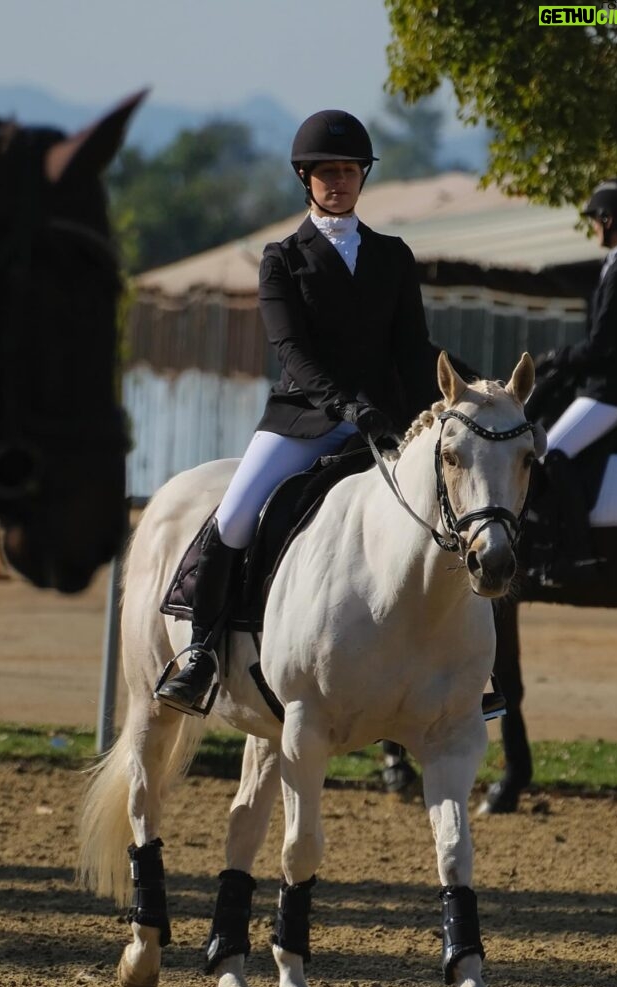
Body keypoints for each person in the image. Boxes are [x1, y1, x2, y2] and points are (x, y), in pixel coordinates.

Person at [156, 109, 475, 716]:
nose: (339, 181)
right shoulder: (282, 259)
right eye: (327, 172)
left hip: (387, 425)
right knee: (234, 516)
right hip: (303, 420)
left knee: (453, 519)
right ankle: (200, 652)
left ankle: (460, 672)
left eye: (349, 171)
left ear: (362, 177)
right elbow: (292, 354)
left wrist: (472, 382)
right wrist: (348, 405)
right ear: (306, 179)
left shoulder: (392, 256)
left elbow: (411, 349)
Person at [538, 177, 617, 580]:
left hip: (612, 392)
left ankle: (579, 552)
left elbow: (603, 344)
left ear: (608, 219)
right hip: (610, 386)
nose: (593, 226)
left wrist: (559, 357)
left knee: (552, 452)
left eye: (595, 219)